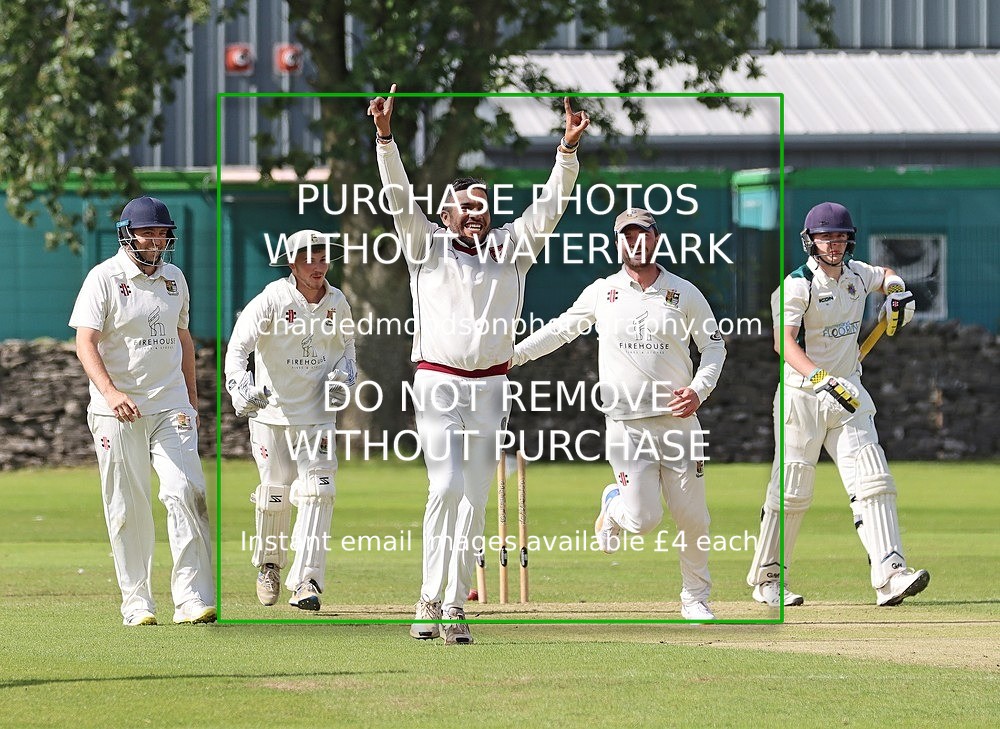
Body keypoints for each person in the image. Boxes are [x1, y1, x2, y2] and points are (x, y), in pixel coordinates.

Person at [367, 85, 589, 643]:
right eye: (466, 206)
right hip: (438, 382)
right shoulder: (426, 246)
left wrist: (566, 151)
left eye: (483, 205)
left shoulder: (513, 248)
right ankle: (427, 597)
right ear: (446, 213)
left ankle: (454, 605)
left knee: (475, 498)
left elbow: (552, 205)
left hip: (491, 387)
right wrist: (386, 139)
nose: (477, 213)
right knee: (444, 486)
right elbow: (398, 198)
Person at [513, 207, 726, 621]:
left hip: (679, 423)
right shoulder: (603, 291)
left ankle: (695, 598)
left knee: (693, 518)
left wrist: (699, 390)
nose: (636, 243)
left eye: (642, 235)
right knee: (644, 521)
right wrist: (514, 355)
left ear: (656, 239)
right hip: (626, 426)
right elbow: (561, 329)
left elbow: (714, 346)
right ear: (617, 243)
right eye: (627, 236)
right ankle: (613, 504)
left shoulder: (684, 292)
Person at [746, 201, 928, 607]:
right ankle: (768, 579)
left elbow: (889, 276)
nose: (834, 244)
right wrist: (819, 378)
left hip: (848, 392)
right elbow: (783, 343)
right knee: (791, 491)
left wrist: (897, 296)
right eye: (826, 237)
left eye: (841, 237)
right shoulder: (796, 286)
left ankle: (891, 575)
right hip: (801, 396)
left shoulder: (857, 275)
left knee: (874, 479)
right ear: (810, 241)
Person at [69, 196, 216, 626]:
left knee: (186, 491)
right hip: (118, 411)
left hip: (170, 404)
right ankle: (137, 602)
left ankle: (191, 598)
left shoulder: (175, 279)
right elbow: (85, 342)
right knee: (127, 507)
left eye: (162, 233)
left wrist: (191, 400)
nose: (155, 240)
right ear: (127, 235)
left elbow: (183, 338)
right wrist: (111, 393)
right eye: (147, 232)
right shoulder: (104, 278)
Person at [224, 230, 357, 611]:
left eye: (322, 258)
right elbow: (238, 348)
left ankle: (306, 582)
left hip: (317, 417)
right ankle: (269, 565)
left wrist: (343, 378)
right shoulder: (272, 299)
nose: (318, 266)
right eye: (309, 259)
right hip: (272, 415)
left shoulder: (338, 302)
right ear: (292, 263)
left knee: (320, 491)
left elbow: (348, 350)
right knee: (275, 494)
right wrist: (240, 388)